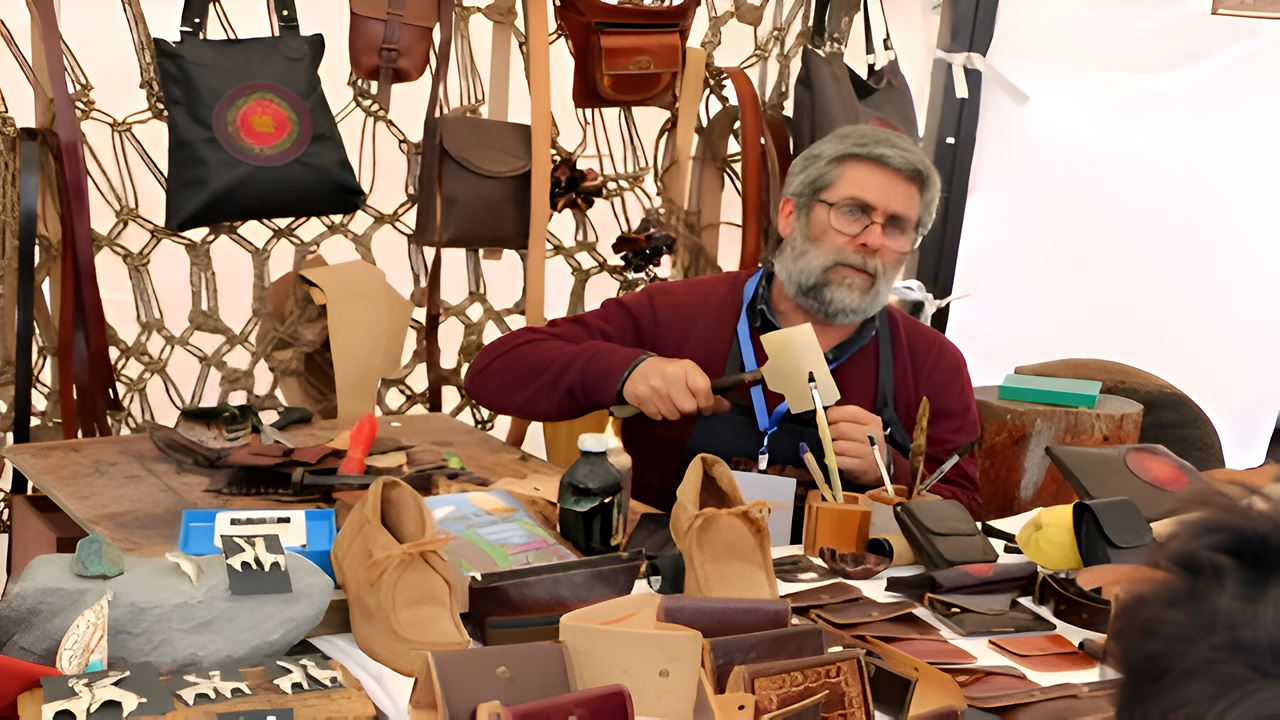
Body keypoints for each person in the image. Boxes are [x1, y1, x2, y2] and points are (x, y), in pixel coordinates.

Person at [465, 125, 983, 517]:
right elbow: (495, 370)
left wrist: (891, 472)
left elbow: (966, 511)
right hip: (672, 589)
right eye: (852, 212)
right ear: (789, 215)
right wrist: (628, 372)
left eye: (897, 227)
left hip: (848, 611)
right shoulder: (677, 312)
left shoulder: (931, 362)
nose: (872, 239)